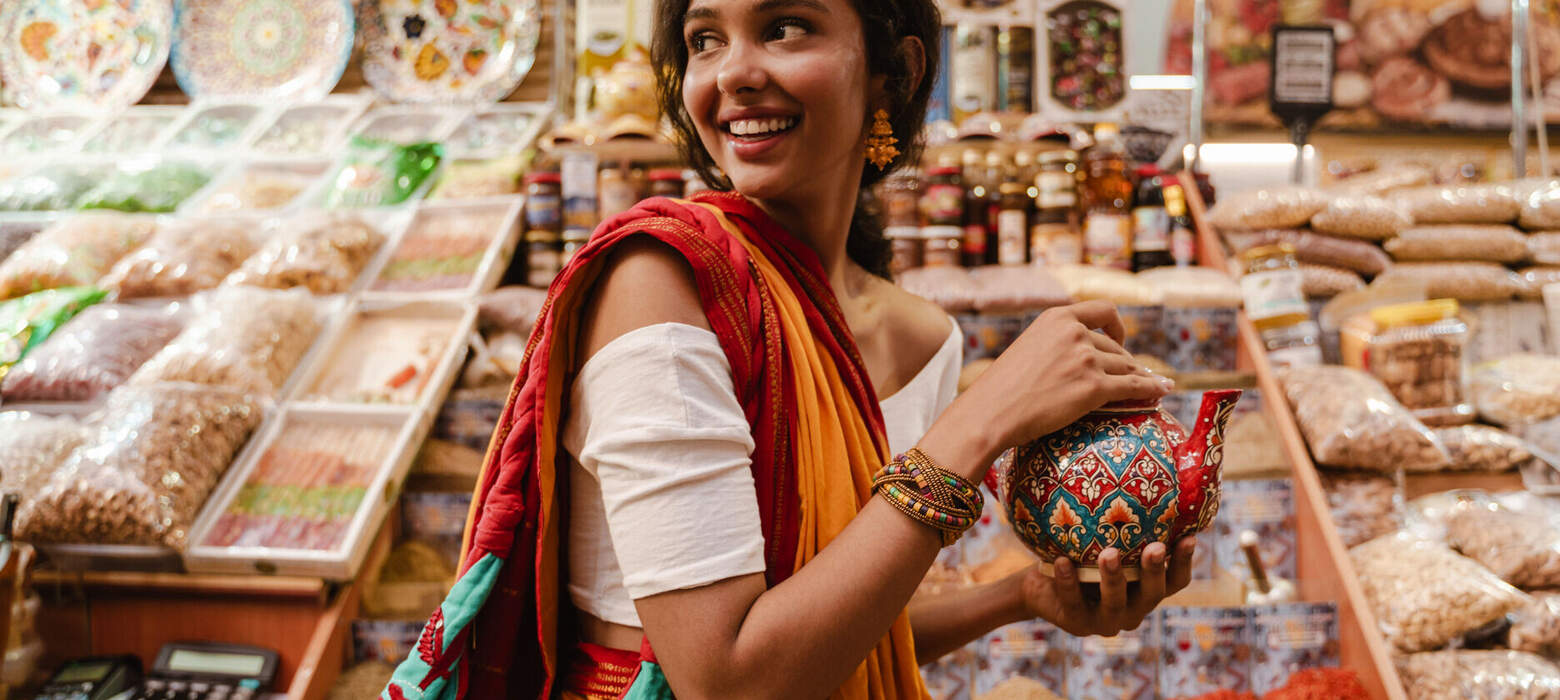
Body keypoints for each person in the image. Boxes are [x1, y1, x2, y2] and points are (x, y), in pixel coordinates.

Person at [381, 0, 1195, 698]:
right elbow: (727, 676)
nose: (732, 71)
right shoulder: (662, 285)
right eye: (705, 38)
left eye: (786, 27)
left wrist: (1021, 597)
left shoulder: (920, 336)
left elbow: (841, 623)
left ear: (894, 71)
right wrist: (978, 425)